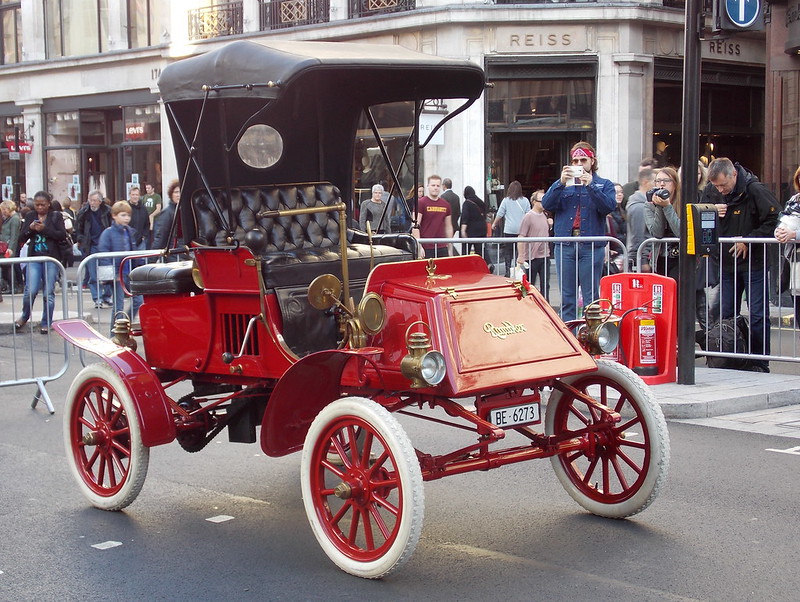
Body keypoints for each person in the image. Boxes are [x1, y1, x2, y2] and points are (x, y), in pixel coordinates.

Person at [702, 157, 781, 373]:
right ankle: (729, 358)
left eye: (723, 185)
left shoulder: (755, 189)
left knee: (757, 314)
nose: (721, 190)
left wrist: (748, 238)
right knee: (726, 313)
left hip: (754, 262)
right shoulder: (711, 191)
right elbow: (697, 216)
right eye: (716, 186)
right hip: (727, 263)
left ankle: (759, 361)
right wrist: (710, 210)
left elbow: (774, 219)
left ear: (733, 175)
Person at [542, 141, 616, 321]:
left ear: (592, 161)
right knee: (567, 299)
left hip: (590, 247)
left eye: (583, 160)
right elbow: (546, 204)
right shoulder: (563, 184)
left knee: (591, 299)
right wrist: (560, 183)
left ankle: (592, 341)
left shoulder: (604, 184)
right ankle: (571, 341)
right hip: (565, 245)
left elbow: (608, 207)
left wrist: (590, 186)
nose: (579, 165)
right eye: (575, 161)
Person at [645, 166, 713, 331]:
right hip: (662, 259)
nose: (661, 185)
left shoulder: (686, 201)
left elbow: (681, 231)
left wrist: (668, 206)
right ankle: (672, 341)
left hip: (685, 259)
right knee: (666, 303)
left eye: (665, 181)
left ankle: (704, 340)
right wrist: (660, 207)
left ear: (675, 183)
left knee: (687, 302)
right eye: (658, 181)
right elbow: (657, 232)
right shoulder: (649, 205)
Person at [14, 191, 67, 334]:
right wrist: (30, 229)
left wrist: (45, 229)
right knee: (30, 291)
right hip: (35, 257)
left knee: (48, 293)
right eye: (36, 205)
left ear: (48, 204)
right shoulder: (30, 216)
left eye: (42, 205)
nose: (39, 208)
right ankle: (25, 316)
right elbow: (22, 237)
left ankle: (46, 322)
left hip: (51, 258)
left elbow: (61, 235)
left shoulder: (56, 216)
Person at [98, 201, 143, 325]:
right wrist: (111, 275)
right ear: (114, 215)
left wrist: (139, 266)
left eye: (128, 215)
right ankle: (115, 334)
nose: (127, 218)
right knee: (118, 306)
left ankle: (124, 325)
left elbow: (133, 252)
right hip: (117, 274)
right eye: (123, 215)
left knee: (138, 300)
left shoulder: (129, 231)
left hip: (129, 273)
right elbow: (104, 255)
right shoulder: (108, 233)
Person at [75, 190, 113, 308]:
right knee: (93, 274)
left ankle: (107, 296)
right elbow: (79, 228)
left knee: (107, 272)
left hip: (105, 245)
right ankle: (97, 298)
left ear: (100, 201)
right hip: (91, 245)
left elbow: (111, 225)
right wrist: (81, 240)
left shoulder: (107, 211)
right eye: (90, 200)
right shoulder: (84, 212)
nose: (92, 203)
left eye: (95, 200)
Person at [774, 165, 800, 331]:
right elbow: (782, 220)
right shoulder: (794, 201)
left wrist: (795, 235)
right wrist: (779, 232)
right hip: (795, 264)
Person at [491, 180, 530, 277]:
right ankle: (518, 269)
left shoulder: (506, 200)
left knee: (508, 251)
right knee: (519, 250)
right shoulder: (525, 201)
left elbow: (500, 214)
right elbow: (528, 214)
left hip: (509, 229)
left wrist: (494, 223)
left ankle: (508, 270)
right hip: (521, 230)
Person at [517, 191, 550, 300]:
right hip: (531, 257)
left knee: (545, 284)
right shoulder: (528, 217)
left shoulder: (545, 215)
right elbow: (521, 236)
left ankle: (546, 305)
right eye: (541, 201)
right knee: (530, 284)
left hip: (544, 255)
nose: (544, 204)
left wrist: (550, 225)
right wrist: (521, 255)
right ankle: (529, 304)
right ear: (534, 202)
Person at [413, 175, 453, 258]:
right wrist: (419, 246)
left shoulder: (446, 204)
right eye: (433, 185)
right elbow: (415, 226)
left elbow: (448, 227)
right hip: (426, 247)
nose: (435, 188)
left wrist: (450, 247)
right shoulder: (421, 203)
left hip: (442, 247)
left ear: (441, 187)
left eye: (438, 186)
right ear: (428, 186)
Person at [626, 168, 655, 271]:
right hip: (642, 258)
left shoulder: (643, 204)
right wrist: (642, 260)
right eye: (654, 181)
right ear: (646, 182)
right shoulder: (639, 207)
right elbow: (638, 235)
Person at [460, 185, 487, 259]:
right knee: (480, 250)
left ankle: (465, 265)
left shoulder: (467, 203)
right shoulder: (481, 202)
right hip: (482, 229)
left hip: (470, 230)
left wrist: (463, 230)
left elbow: (465, 217)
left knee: (466, 251)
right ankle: (487, 264)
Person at [152, 180, 180, 251]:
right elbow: (161, 237)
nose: (178, 195)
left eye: (180, 192)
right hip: (173, 255)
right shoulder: (167, 212)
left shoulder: (186, 211)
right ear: (171, 194)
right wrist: (151, 259)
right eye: (176, 192)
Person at [0, 200, 21, 293]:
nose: (3, 212)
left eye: (3, 209)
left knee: (9, 267)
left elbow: (14, 235)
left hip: (9, 247)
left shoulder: (15, 219)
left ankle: (13, 287)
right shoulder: (11, 218)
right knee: (7, 267)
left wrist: (11, 248)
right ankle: (11, 286)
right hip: (7, 246)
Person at [606, 182, 627, 273]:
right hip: (613, 254)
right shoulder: (606, 213)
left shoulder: (623, 211)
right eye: (616, 192)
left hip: (623, 251)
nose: (619, 194)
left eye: (621, 192)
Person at [127, 186, 151, 251]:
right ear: (129, 195)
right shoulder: (125, 208)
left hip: (140, 242)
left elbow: (147, 223)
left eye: (137, 195)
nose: (135, 197)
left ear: (139, 196)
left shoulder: (143, 209)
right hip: (127, 242)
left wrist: (144, 236)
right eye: (133, 194)